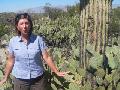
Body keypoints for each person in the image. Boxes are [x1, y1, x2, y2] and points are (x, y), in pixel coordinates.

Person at [0, 13, 67, 90]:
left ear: (30, 25)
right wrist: (5, 77)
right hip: (20, 81)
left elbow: (47, 57)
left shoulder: (38, 39)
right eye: (21, 24)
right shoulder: (13, 41)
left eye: (26, 23)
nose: (24, 26)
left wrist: (56, 71)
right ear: (17, 27)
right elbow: (10, 61)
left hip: (38, 80)